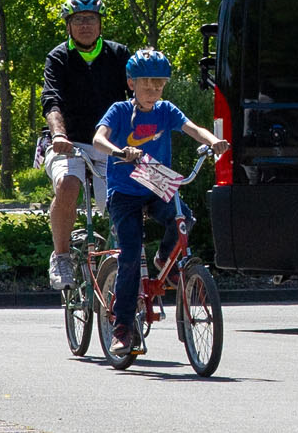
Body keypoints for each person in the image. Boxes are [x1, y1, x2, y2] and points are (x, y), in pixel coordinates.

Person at [93, 47, 229, 356]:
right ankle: (123, 327)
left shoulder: (166, 110)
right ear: (132, 84)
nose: (154, 89)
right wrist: (118, 152)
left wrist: (212, 141)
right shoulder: (118, 111)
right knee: (129, 255)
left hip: (155, 185)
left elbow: (192, 127)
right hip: (125, 192)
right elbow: (99, 138)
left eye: (159, 83)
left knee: (184, 220)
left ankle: (162, 260)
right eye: (147, 83)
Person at [41, 0, 131, 290]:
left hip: (109, 144)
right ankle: (62, 256)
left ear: (100, 23)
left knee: (122, 199)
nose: (85, 26)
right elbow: (52, 102)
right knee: (68, 184)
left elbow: (137, 97)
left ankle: (126, 259)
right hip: (69, 141)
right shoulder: (58, 57)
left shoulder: (119, 55)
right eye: (78, 20)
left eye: (91, 19)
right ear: (68, 25)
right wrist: (58, 134)